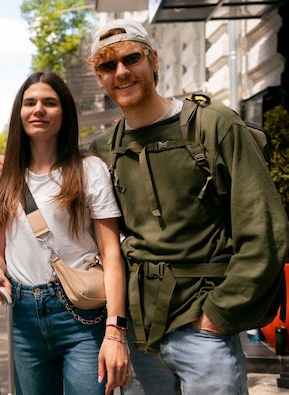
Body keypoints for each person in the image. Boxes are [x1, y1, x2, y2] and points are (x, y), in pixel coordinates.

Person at [85, 19, 288, 394]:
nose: (122, 72)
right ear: (99, 77)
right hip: (139, 335)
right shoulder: (103, 150)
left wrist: (219, 315)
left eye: (132, 59)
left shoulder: (213, 125)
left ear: (154, 60)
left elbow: (263, 229)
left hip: (204, 327)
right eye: (107, 66)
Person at [0, 71, 130, 395]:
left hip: (82, 315)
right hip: (23, 319)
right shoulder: (1, 178)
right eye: (30, 102)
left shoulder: (89, 169)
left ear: (65, 113)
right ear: (19, 112)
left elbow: (111, 253)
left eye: (50, 102)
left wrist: (115, 331)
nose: (39, 110)